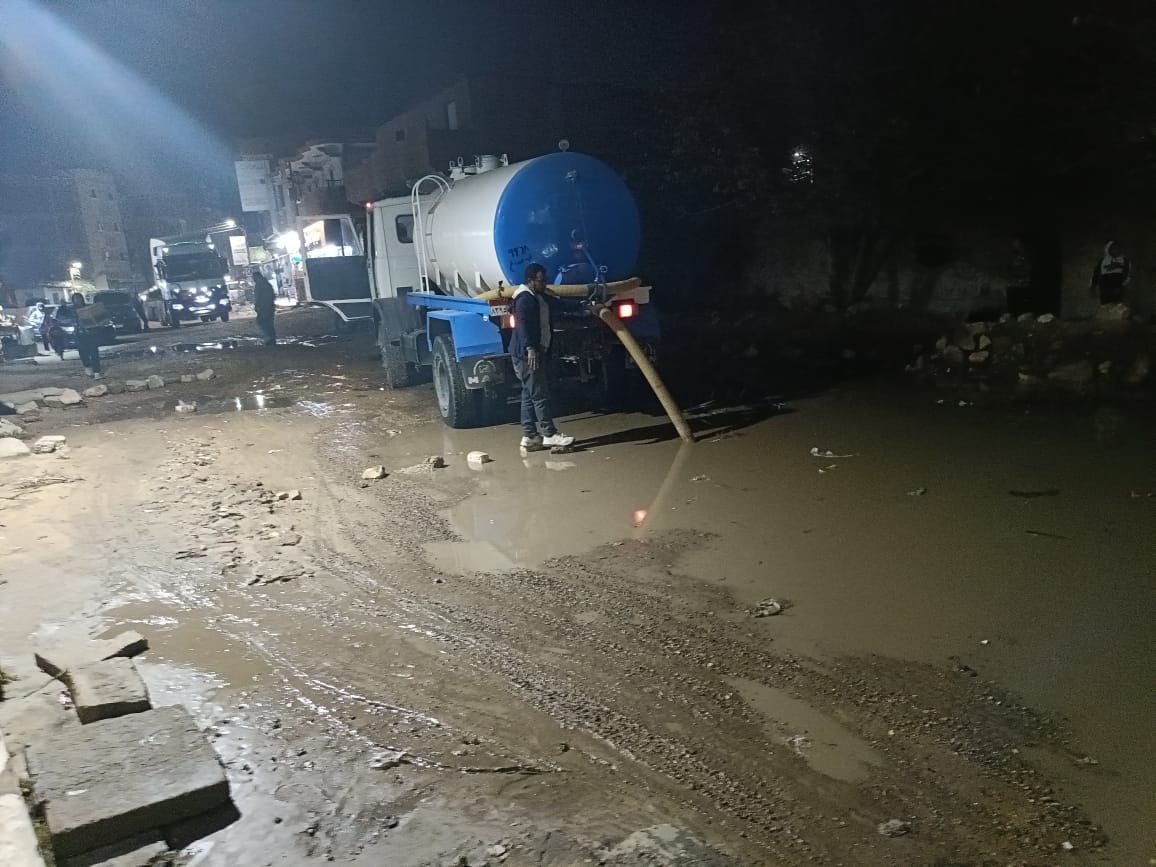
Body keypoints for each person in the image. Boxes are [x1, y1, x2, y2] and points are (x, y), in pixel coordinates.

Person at [509, 263, 574, 451]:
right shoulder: (524, 299)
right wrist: (530, 348)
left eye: (545, 280)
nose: (545, 283)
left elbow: (559, 304)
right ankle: (549, 434)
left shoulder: (538, 296)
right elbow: (522, 326)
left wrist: (585, 306)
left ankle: (530, 436)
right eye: (541, 280)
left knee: (528, 394)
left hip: (531, 352)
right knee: (539, 394)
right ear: (530, 281)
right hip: (527, 355)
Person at [71, 292, 109, 378]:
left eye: (79, 298)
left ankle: (97, 372)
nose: (77, 300)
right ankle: (88, 366)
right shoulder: (71, 310)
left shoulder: (89, 307)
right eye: (75, 299)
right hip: (79, 334)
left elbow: (100, 316)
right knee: (83, 353)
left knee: (94, 352)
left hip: (91, 333)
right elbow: (68, 320)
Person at [1091, 240, 1130, 305]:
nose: (1115, 250)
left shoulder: (1124, 260)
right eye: (1113, 248)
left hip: (1117, 286)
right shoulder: (1103, 260)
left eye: (1117, 248)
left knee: (1117, 305)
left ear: (1120, 249)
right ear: (1109, 249)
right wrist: (1093, 286)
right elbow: (1096, 273)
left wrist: (1120, 286)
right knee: (1105, 305)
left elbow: (1126, 274)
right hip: (1104, 287)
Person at [253, 270, 276, 345]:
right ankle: (271, 337)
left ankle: (268, 337)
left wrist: (257, 306)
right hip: (269, 306)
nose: (253, 279)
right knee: (269, 322)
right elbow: (273, 295)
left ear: (257, 277)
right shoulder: (267, 284)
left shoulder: (259, 285)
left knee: (263, 322)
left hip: (263, 307)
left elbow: (258, 297)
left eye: (254, 278)